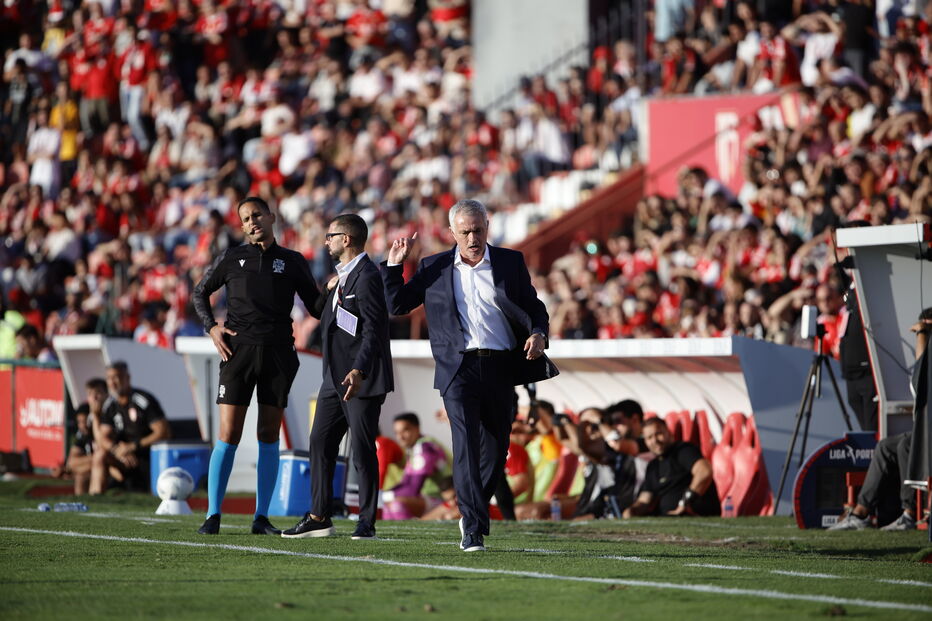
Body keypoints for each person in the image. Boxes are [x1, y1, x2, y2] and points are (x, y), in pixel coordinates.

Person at [382, 198, 557, 551]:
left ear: (487, 227)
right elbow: (397, 305)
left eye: (478, 230)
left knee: (495, 451)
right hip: (457, 368)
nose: (473, 237)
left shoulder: (510, 261)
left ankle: (471, 513)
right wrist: (392, 267)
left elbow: (534, 306)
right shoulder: (434, 266)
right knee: (464, 445)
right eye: (465, 232)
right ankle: (473, 527)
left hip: (502, 366)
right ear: (452, 233)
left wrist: (539, 333)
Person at [193, 196, 320, 536]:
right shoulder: (232, 258)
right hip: (237, 356)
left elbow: (317, 307)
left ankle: (260, 518)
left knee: (268, 435)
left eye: (257, 215)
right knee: (228, 434)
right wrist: (212, 327)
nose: (252, 222)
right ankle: (213, 515)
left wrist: (339, 288)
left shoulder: (292, 261)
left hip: (278, 354)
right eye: (246, 218)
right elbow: (200, 292)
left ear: (271, 216)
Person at [283, 214, 393, 540]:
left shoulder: (368, 275)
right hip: (334, 378)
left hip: (360, 378)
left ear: (346, 239)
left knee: (361, 450)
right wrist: (327, 288)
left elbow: (375, 329)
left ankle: (367, 522)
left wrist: (359, 370)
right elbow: (326, 316)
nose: (325, 241)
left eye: (330, 235)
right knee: (319, 442)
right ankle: (319, 515)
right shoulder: (341, 277)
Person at [828, 308, 932, 531]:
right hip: (925, 431)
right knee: (885, 446)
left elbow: (919, 381)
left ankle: (909, 513)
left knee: (907, 445)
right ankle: (861, 512)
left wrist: (923, 334)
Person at [91, 362, 171, 494]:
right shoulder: (110, 405)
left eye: (116, 377)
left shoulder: (142, 400)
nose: (112, 382)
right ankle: (95, 498)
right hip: (124, 457)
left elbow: (163, 431)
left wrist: (133, 446)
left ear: (127, 377)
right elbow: (103, 437)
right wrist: (118, 451)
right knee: (99, 455)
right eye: (109, 378)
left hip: (147, 456)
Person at [623, 417, 720, 518]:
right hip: (667, 521)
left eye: (658, 434)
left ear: (669, 433)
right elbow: (644, 500)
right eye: (649, 437)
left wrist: (685, 503)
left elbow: (704, 471)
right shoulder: (653, 466)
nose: (655, 440)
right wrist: (632, 511)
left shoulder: (683, 451)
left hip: (695, 517)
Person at [381, 413, 451, 520]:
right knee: (389, 503)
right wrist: (384, 495)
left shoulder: (425, 447)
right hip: (430, 498)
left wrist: (385, 495)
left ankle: (406, 534)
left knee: (396, 503)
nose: (400, 437)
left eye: (405, 430)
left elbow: (413, 488)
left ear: (417, 429)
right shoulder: (415, 448)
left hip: (446, 499)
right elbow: (405, 482)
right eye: (397, 433)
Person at [56, 378, 107, 495]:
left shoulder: (111, 417)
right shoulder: (85, 429)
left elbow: (104, 448)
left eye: (98, 393)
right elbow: (72, 461)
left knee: (93, 465)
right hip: (95, 466)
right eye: (90, 394)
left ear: (106, 394)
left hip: (114, 467)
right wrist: (69, 468)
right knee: (81, 475)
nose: (94, 398)